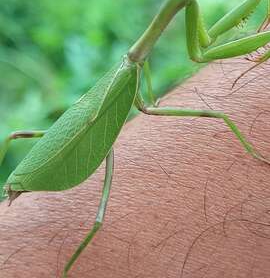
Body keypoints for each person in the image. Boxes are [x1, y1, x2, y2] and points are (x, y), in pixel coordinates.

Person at [1, 57, 270, 278]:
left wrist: (151, 98)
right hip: (60, 159)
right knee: (97, 221)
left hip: (71, 144)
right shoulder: (132, 69)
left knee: (14, 136)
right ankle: (65, 272)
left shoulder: (130, 66)